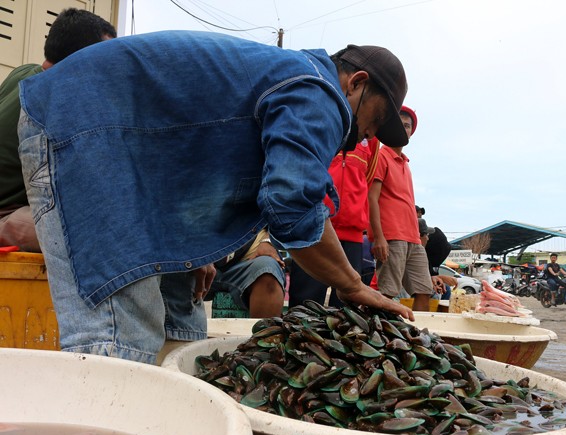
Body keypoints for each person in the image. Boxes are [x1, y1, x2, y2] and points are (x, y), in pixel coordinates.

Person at [18, 32, 413, 364]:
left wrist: (200, 249)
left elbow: (195, 152)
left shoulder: (289, 76)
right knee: (121, 340)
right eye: (375, 120)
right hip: (87, 128)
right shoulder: (319, 90)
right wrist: (353, 285)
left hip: (129, 154)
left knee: (184, 330)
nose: (367, 135)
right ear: (357, 82)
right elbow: (293, 204)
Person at [0, 8, 116, 252]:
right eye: (104, 61)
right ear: (79, 61)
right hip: (6, 215)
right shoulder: (55, 106)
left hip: (18, 206)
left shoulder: (24, 72)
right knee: (89, 237)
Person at [288, 138, 379, 307]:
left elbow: (368, 178)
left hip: (352, 236)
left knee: (346, 309)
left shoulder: (372, 139)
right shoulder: (325, 123)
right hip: (314, 228)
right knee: (305, 303)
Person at [368, 106, 433, 311]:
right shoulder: (382, 156)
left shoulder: (405, 163)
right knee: (387, 291)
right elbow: (371, 198)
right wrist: (378, 237)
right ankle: (380, 339)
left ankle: (419, 339)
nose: (403, 129)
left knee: (424, 290)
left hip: (413, 238)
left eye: (407, 126)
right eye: (399, 124)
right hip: (391, 236)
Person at [208, 229, 286, 317]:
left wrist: (269, 240)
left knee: (267, 271)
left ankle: (263, 330)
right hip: (199, 254)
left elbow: (284, 219)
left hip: (252, 258)